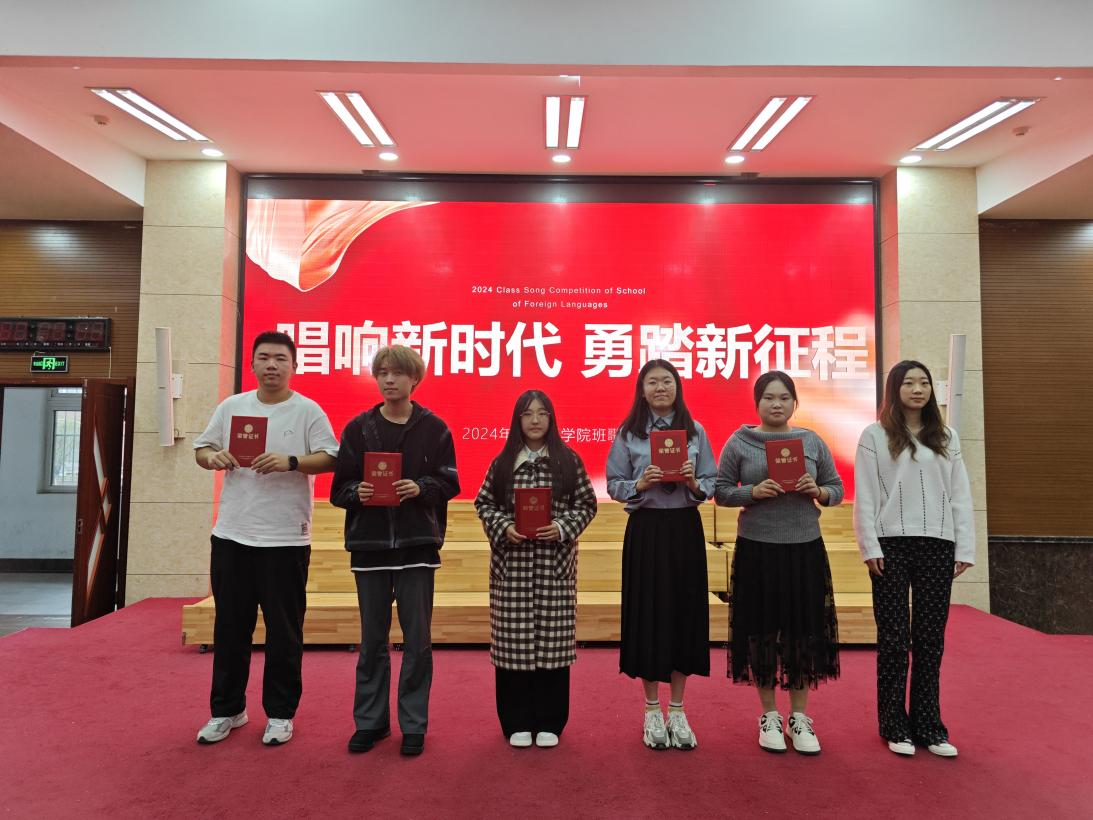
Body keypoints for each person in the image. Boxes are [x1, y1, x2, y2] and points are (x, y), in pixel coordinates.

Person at [192, 330, 339, 746]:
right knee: (230, 629)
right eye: (264, 358)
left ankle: (280, 713)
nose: (271, 365)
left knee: (284, 633)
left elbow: (331, 457)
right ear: (253, 363)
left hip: (285, 539)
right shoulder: (232, 406)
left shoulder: (307, 410)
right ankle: (227, 710)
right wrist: (213, 458)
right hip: (232, 536)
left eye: (280, 358)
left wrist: (291, 461)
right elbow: (202, 450)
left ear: (294, 366)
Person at [330, 345, 459, 757]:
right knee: (372, 642)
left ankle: (413, 724)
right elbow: (338, 489)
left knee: (417, 641)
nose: (389, 379)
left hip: (417, 547)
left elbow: (450, 482)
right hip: (369, 549)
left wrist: (421, 487)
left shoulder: (434, 428)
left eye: (398, 373)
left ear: (414, 378)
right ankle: (371, 723)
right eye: (382, 372)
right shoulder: (358, 429)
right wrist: (358, 491)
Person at [715, 370, 843, 756]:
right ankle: (769, 714)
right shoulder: (740, 442)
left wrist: (818, 490)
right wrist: (752, 492)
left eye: (784, 398)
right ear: (757, 403)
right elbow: (721, 492)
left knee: (803, 631)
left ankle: (799, 716)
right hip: (757, 549)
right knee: (762, 632)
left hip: (804, 548)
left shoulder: (811, 441)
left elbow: (836, 489)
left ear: (794, 403)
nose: (776, 404)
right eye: (769, 397)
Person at [853, 360, 974, 758]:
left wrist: (964, 547)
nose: (918, 389)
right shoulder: (874, 435)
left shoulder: (947, 436)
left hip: (938, 543)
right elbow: (866, 495)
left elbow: (960, 494)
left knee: (930, 639)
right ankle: (894, 725)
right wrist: (869, 546)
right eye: (909, 383)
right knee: (893, 639)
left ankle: (929, 726)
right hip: (890, 545)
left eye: (924, 383)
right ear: (895, 389)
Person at [474, 390, 597, 748]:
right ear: (518, 420)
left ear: (551, 419)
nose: (535, 420)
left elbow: (587, 505)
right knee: (512, 648)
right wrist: (503, 527)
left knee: (553, 647)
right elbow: (484, 504)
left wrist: (561, 527)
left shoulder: (568, 460)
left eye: (542, 413)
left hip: (553, 566)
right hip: (511, 567)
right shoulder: (502, 462)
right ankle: (515, 721)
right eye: (528, 414)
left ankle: (550, 721)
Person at [606, 359, 717, 751]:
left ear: (677, 386)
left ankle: (678, 709)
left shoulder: (695, 430)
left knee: (684, 615)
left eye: (666, 381)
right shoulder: (629, 433)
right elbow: (614, 484)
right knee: (648, 615)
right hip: (647, 530)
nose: (659, 388)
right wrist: (639, 483)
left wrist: (692, 481)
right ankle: (652, 709)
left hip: (685, 529)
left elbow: (711, 482)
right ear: (642, 390)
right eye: (652, 382)